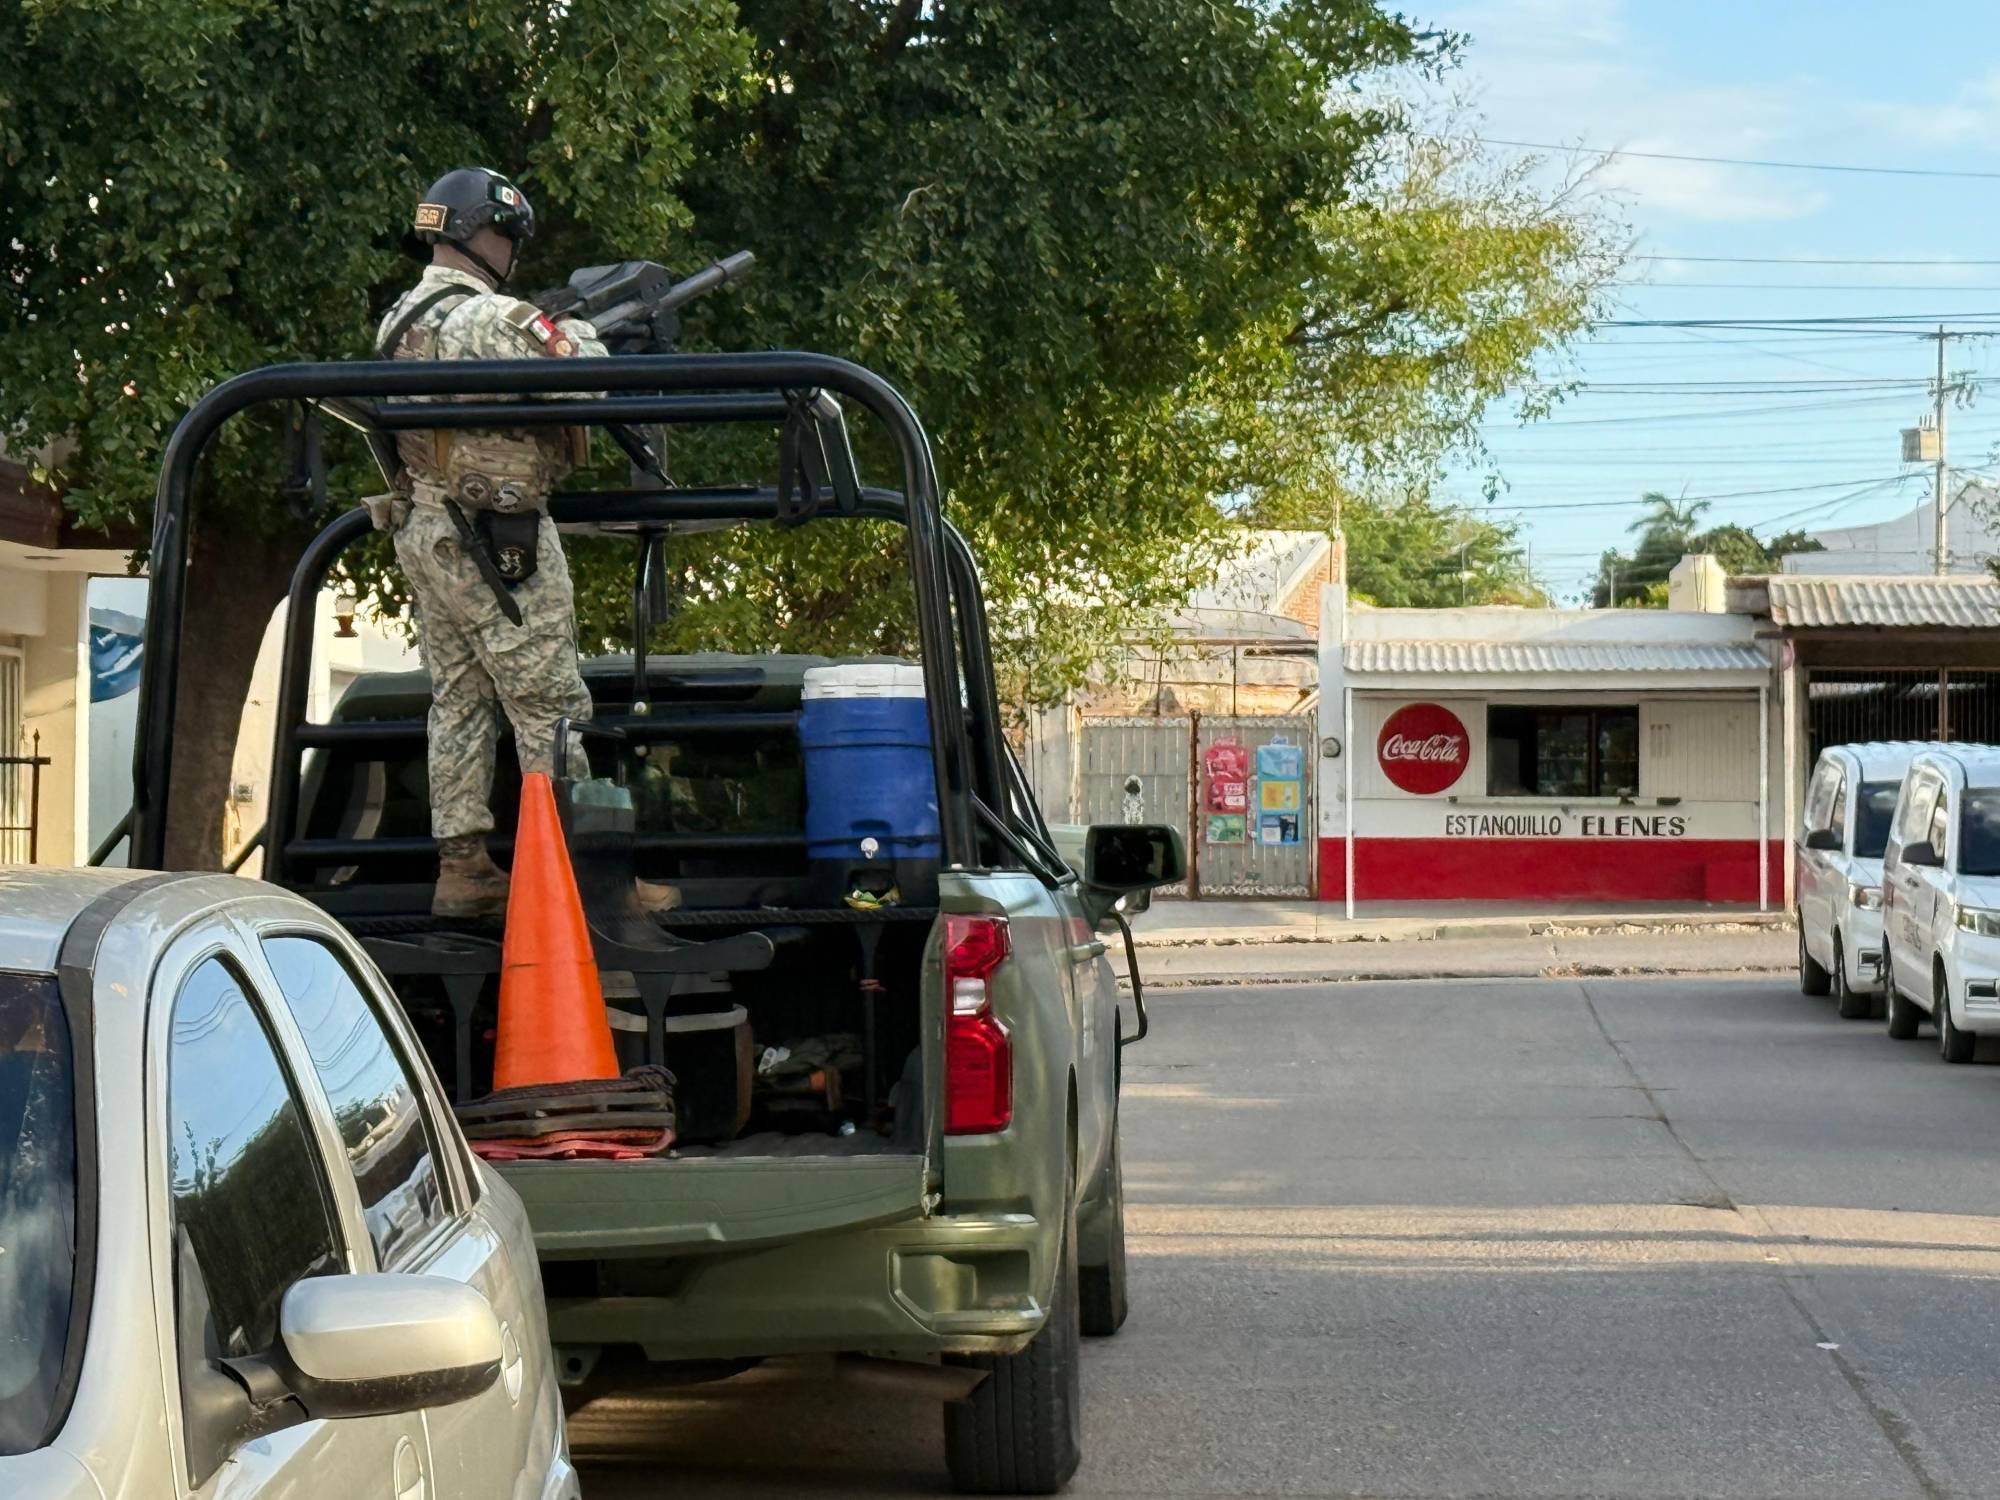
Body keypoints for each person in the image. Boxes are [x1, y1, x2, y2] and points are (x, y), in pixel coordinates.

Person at [374, 167, 605, 918]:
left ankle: (465, 869)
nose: (512, 252)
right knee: (551, 704)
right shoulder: (484, 319)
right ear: (484, 232)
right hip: (493, 537)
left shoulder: (400, 317)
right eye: (508, 235)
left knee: (461, 700)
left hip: (428, 529)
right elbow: (587, 382)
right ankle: (572, 880)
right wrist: (585, 333)